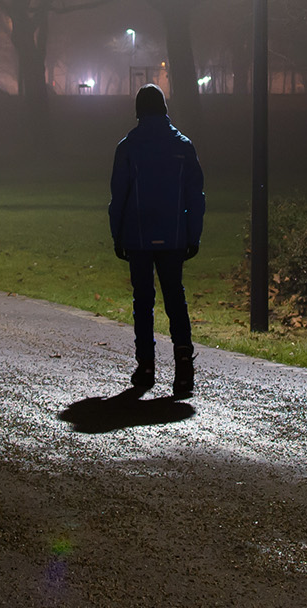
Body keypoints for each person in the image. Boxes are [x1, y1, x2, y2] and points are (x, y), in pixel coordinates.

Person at [108, 83, 206, 395]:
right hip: (174, 233)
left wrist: (117, 234)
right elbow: (195, 195)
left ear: (138, 110)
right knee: (175, 297)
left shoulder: (128, 146)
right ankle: (183, 368)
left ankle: (146, 365)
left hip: (138, 234)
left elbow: (118, 196)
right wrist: (193, 233)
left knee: (143, 300)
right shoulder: (183, 146)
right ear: (164, 108)